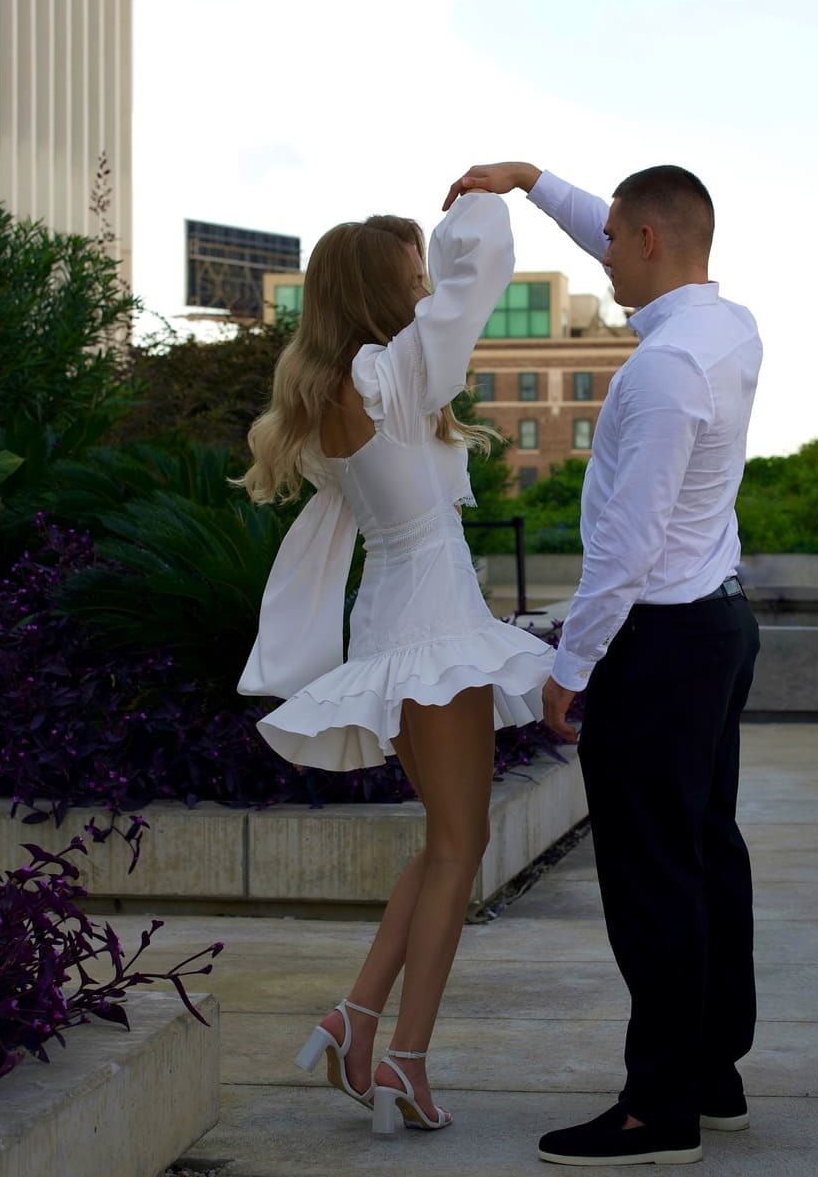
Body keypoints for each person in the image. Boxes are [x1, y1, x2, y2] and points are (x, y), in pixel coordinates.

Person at [443, 162, 763, 1167]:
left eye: (615, 242)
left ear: (651, 243)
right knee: (705, 852)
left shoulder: (664, 371)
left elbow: (626, 544)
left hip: (658, 645)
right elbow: (620, 230)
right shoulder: (727, 326)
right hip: (716, 626)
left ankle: (657, 1111)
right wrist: (533, 182)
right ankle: (711, 1072)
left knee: (650, 875)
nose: (603, 256)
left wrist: (571, 664)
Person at [236, 192, 554, 1138]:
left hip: (397, 622)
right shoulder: (390, 377)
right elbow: (479, 269)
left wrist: (436, 247)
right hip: (430, 631)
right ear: (379, 290)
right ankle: (404, 1060)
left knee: (446, 840)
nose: (427, 288)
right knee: (461, 845)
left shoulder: (343, 391)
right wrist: (495, 188)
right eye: (413, 275)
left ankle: (356, 1017)